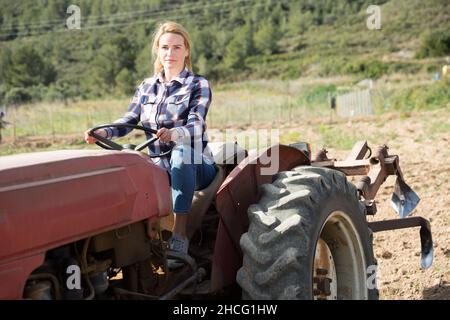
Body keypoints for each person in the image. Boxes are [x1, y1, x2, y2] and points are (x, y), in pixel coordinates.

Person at [84, 21, 216, 268]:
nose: (170, 53)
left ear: (187, 51)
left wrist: (175, 133)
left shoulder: (198, 84)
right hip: (158, 166)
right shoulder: (146, 87)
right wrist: (104, 131)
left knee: (181, 155)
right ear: (157, 50)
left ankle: (179, 235)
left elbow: (196, 125)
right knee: (124, 160)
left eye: (177, 47)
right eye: (165, 47)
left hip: (196, 163)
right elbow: (128, 121)